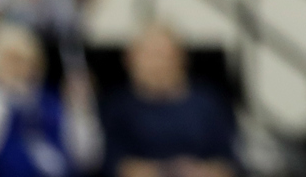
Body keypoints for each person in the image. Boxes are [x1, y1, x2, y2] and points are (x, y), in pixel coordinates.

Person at [0, 21, 102, 177]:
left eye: (28, 59)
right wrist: (0, 89)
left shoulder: (50, 98)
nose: (21, 68)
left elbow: (87, 160)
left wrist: (80, 110)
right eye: (12, 59)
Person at [100, 24, 237, 177]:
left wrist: (199, 171)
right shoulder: (117, 106)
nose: (158, 64)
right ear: (129, 60)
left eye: (164, 55)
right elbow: (112, 164)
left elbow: (229, 163)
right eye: (149, 56)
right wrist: (165, 171)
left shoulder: (208, 102)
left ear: (181, 58)